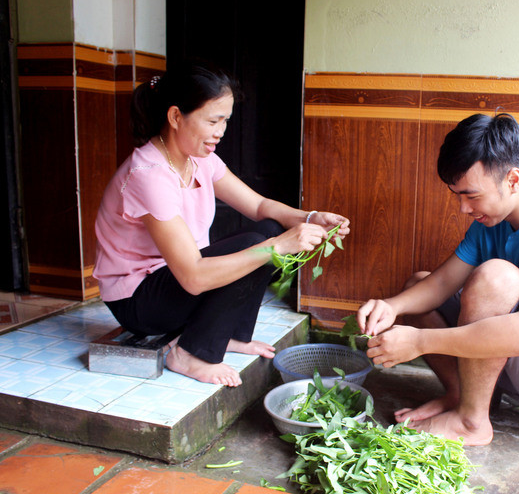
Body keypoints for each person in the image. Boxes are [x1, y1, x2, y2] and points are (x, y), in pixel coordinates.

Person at [357, 113, 519, 445]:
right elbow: (440, 285)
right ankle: (461, 397)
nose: (463, 208)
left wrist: (420, 342)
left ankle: (471, 424)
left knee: (496, 278)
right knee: (417, 287)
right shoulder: (490, 222)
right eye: (458, 196)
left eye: (471, 195)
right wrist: (390, 306)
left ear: (513, 180)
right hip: (517, 370)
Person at [94, 62, 349, 387]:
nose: (221, 131)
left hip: (176, 279)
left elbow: (258, 205)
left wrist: (311, 218)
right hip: (139, 300)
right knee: (261, 245)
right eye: (213, 120)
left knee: (269, 230)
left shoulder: (200, 158)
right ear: (175, 117)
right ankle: (189, 354)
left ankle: (228, 335)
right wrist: (280, 246)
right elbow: (194, 277)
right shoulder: (149, 175)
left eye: (225, 121)